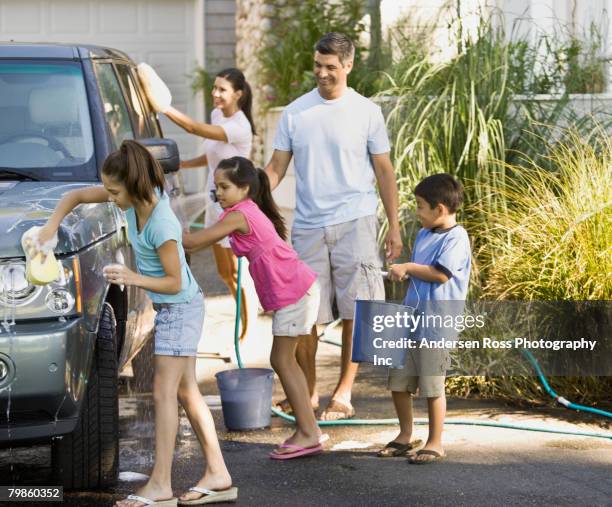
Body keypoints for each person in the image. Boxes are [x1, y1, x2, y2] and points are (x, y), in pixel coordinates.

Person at [37, 140, 237, 506]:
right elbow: (77, 196)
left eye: (114, 190)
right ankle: (218, 473)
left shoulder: (162, 223)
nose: (110, 197)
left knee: (163, 392)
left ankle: (161, 484)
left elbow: (175, 282)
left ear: (133, 184)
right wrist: (49, 229)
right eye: (108, 189)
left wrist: (132, 277)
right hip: (175, 308)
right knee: (186, 392)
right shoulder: (131, 199)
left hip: (180, 307)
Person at [265, 32, 402, 420]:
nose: (322, 73)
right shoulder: (295, 112)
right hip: (308, 226)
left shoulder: (366, 112)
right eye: (317, 65)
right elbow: (276, 168)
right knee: (305, 314)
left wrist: (393, 226)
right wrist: (248, 197)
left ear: (348, 66)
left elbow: (384, 171)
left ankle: (343, 393)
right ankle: (307, 392)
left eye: (330, 67)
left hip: (355, 221)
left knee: (357, 312)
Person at [183, 156, 326, 459]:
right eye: (216, 187)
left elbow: (193, 243)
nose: (218, 193)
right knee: (284, 360)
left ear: (244, 188)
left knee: (283, 360)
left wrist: (158, 224)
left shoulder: (239, 214)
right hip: (297, 288)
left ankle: (309, 432)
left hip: (295, 291)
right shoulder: (242, 211)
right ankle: (307, 429)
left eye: (224, 187)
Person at [146, 67, 255, 341]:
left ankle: (247, 325)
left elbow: (193, 128)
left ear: (238, 95)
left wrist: (163, 107)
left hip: (234, 207)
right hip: (214, 200)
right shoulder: (218, 114)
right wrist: (182, 165)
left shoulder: (239, 127)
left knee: (233, 270)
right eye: (215, 88)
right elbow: (212, 156)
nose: (215, 94)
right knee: (223, 271)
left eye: (222, 90)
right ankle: (243, 317)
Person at [381, 173, 471, 464]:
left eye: (420, 206)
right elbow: (420, 273)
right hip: (411, 321)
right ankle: (406, 435)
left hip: (436, 327)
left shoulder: (457, 238)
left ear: (440, 209)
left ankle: (435, 441)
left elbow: (440, 274)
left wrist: (407, 266)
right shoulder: (423, 234)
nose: (417, 212)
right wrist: (401, 270)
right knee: (399, 381)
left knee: (433, 385)